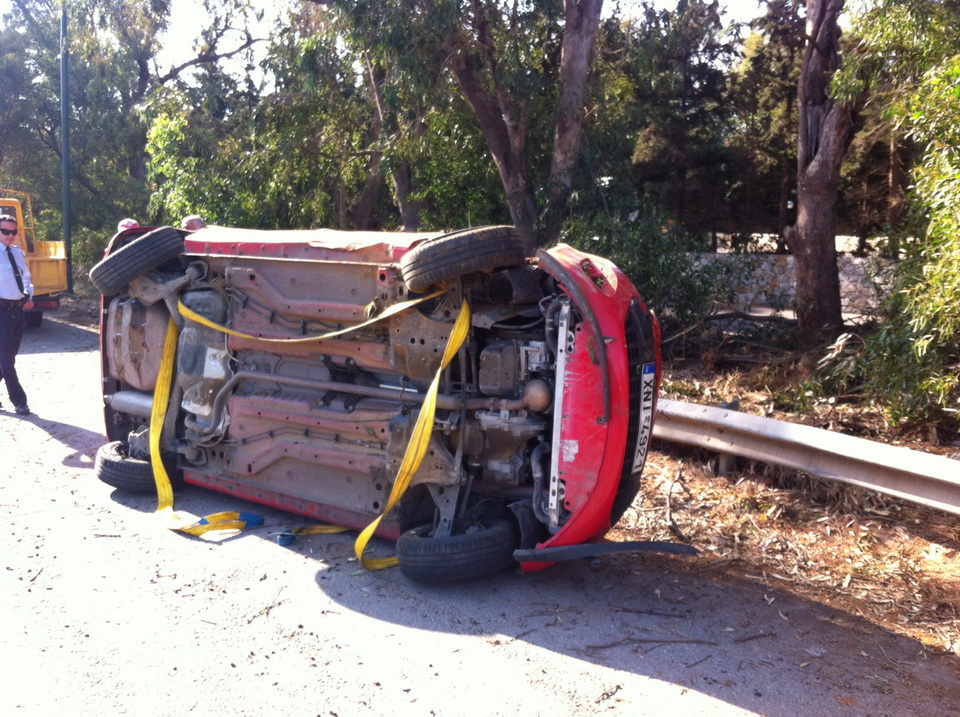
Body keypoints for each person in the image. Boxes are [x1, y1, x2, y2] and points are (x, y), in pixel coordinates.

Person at [0, 213, 33, 416]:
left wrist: (29, 294)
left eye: (13, 232)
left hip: (16, 310)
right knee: (6, 359)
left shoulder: (17, 253)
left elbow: (27, 277)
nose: (10, 236)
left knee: (9, 354)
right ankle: (19, 401)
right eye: (5, 231)